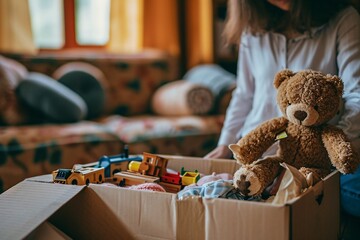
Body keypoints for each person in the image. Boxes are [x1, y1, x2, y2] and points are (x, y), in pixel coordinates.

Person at [205, 0, 360, 218]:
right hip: (259, 153)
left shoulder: (343, 19)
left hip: (319, 156)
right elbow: (244, 94)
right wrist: (224, 144)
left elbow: (356, 94)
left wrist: (332, 151)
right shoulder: (252, 29)